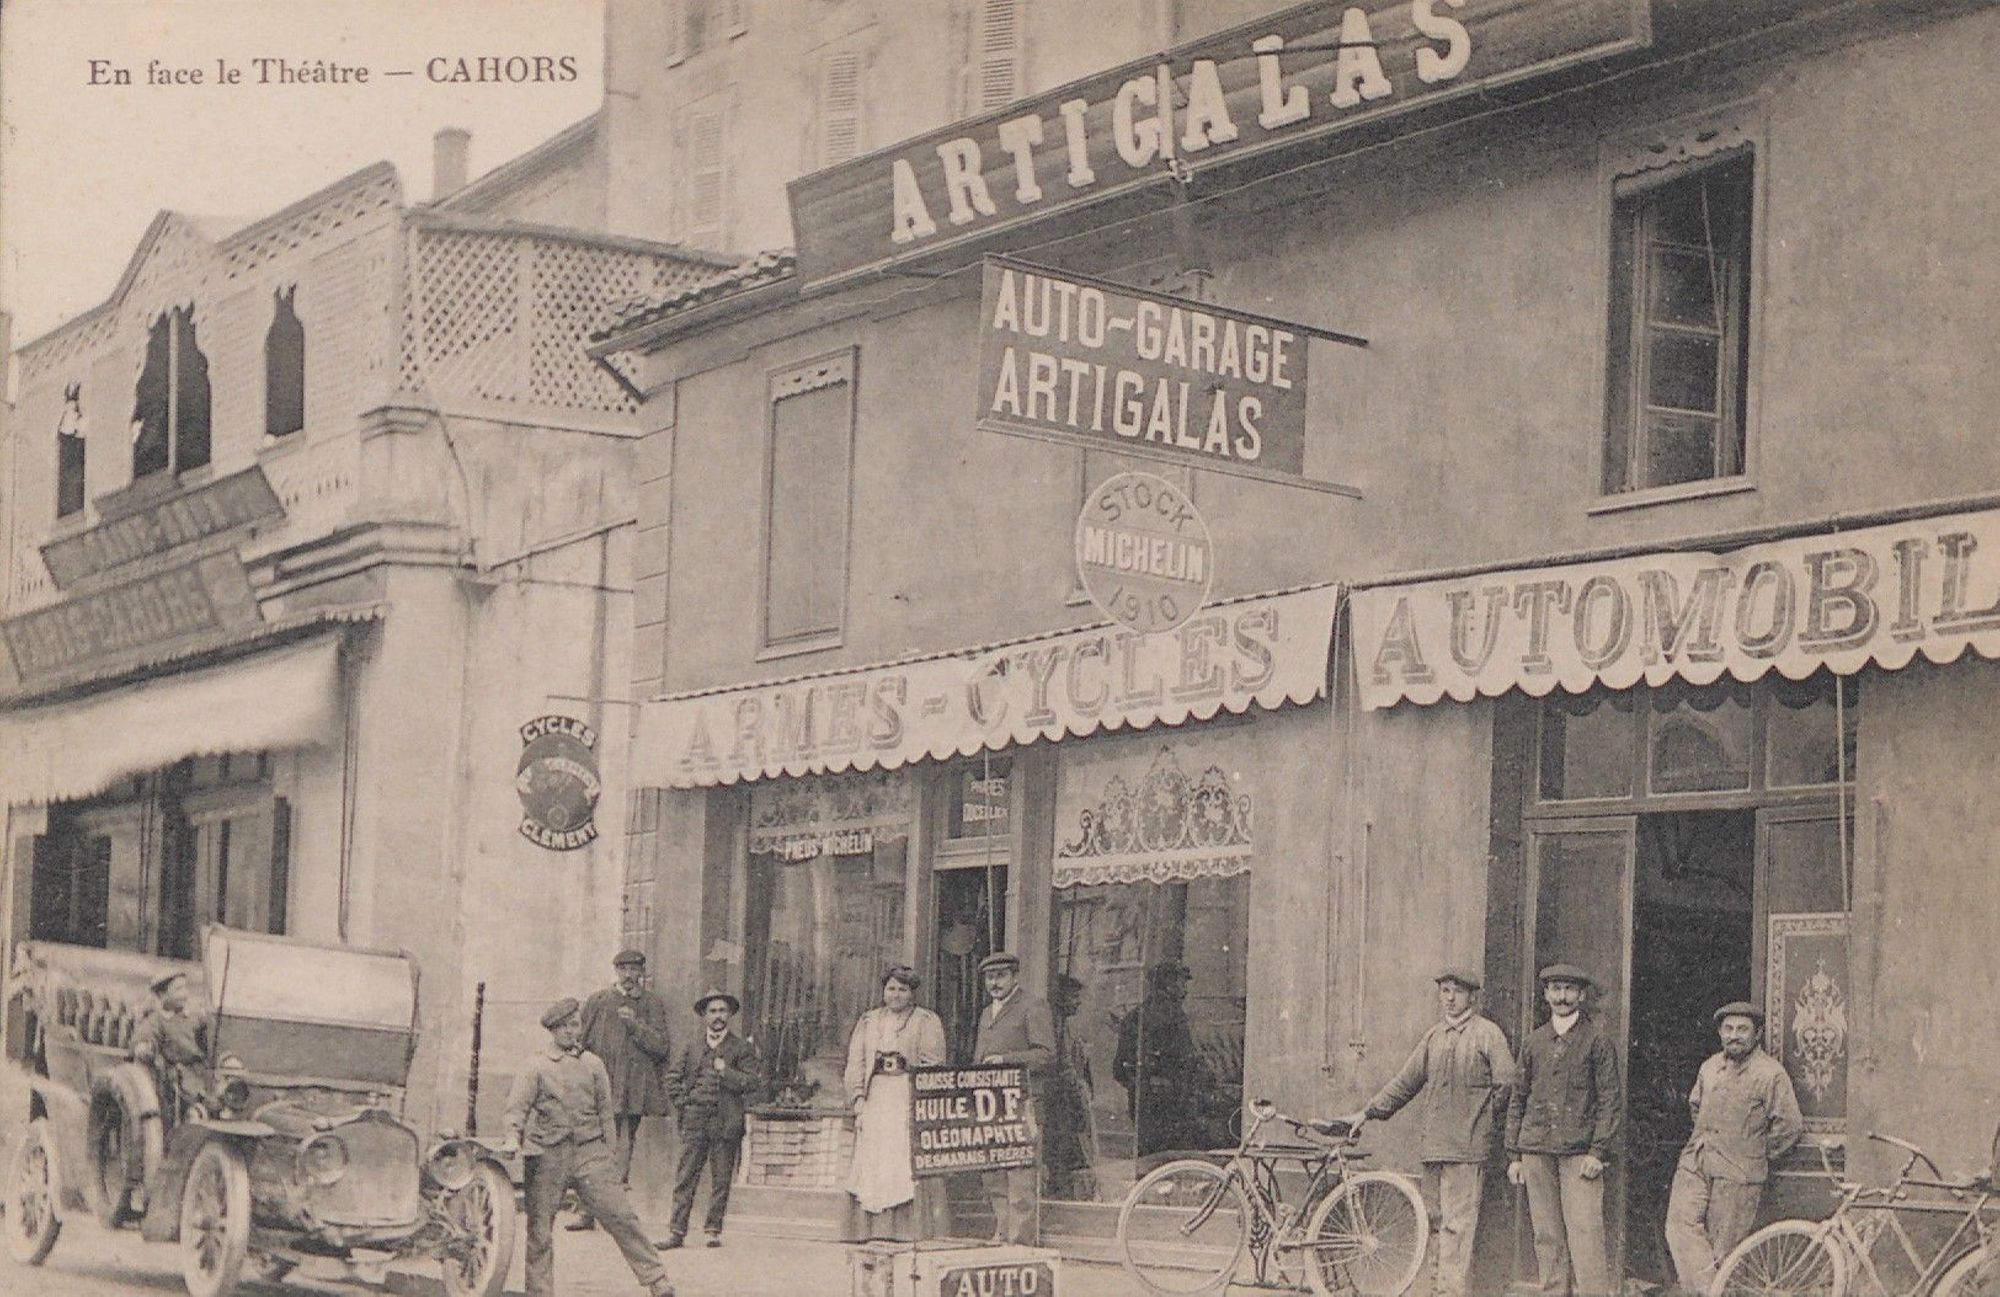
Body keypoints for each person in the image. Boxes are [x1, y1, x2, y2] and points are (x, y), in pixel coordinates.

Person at [1343, 966, 1516, 1297]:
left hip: (1467, 1150)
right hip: (1433, 1147)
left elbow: (1506, 1085)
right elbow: (1405, 1082)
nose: (1449, 999)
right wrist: (1366, 1113)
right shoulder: (1434, 1037)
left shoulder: (1488, 1034)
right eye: (1444, 991)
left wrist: (1479, 1122)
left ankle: (1452, 1293)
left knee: (1458, 1228)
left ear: (1473, 997)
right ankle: (1437, 1291)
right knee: (1434, 1222)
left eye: (1457, 992)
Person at [501, 998, 675, 1297]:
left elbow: (606, 1113)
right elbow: (517, 1108)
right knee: (540, 1229)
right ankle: (539, 1292)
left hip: (590, 1153)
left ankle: (657, 1280)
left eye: (576, 1025)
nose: (572, 1032)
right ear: (553, 1030)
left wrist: (610, 1155)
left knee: (621, 1216)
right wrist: (512, 1138)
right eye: (565, 1027)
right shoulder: (537, 1065)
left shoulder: (593, 1064)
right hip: (547, 1155)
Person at [1664, 1001, 1804, 1293]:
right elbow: (1695, 1106)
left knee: (1724, 1250)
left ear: (1758, 1034)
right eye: (1728, 1029)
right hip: (1696, 1163)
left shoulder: (1770, 1074)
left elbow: (1789, 1126)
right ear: (1719, 1033)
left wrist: (1754, 1153)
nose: (1734, 1035)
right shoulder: (1710, 1067)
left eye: (1742, 1029)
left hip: (1739, 1173)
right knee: (1678, 1228)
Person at [1506, 963, 1622, 1297]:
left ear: (1582, 995)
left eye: (1570, 990)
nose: (1562, 997)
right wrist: (1514, 1154)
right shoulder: (1533, 1042)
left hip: (1579, 1154)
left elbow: (1609, 1100)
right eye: (1555, 989)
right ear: (1545, 995)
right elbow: (1519, 1098)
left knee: (1585, 1234)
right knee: (1547, 1235)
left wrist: (1597, 1152)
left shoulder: (1597, 1042)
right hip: (1536, 1151)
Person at [843, 964, 948, 1241]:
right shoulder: (868, 1021)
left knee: (901, 1158)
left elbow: (934, 1065)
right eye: (891, 988)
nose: (896, 995)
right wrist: (858, 1099)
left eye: (903, 989)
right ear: (883, 991)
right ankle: (871, 1229)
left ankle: (905, 1229)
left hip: (905, 1096)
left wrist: (915, 1086)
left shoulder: (925, 1021)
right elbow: (856, 1063)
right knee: (874, 1158)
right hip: (876, 1096)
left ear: (912, 993)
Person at [572, 949, 674, 1229]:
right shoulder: (598, 1001)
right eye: (623, 969)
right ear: (615, 971)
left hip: (634, 1089)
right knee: (594, 1147)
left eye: (634, 970)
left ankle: (612, 1211)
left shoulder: (651, 1004)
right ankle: (587, 1211)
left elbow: (661, 1046)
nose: (629, 976)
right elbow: (580, 1042)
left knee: (622, 1150)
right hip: (601, 1086)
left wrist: (634, 1025)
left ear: (642, 972)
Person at [660, 988, 762, 1250]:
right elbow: (672, 1078)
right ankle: (676, 1231)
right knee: (686, 1177)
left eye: (723, 1011)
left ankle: (713, 1230)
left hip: (726, 1122)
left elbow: (751, 1083)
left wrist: (725, 1072)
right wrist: (684, 1102)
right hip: (695, 1120)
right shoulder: (692, 1046)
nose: (718, 1016)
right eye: (713, 1011)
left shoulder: (742, 1048)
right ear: (704, 1016)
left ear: (730, 1015)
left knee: (721, 1178)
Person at [972, 950, 1056, 1245]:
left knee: (1020, 1174)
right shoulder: (986, 1013)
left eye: (1000, 976)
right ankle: (1003, 1231)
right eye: (989, 977)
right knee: (993, 1171)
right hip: (992, 1104)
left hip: (1024, 1103)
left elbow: (1046, 1055)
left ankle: (1020, 1241)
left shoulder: (1033, 1006)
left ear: (1015, 977)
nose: (994, 983)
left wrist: (1006, 1060)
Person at [1113, 961, 1210, 1159]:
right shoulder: (1175, 1016)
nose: (1185, 990)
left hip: (1143, 1098)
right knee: (1173, 1160)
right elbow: (1186, 1060)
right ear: (1168, 985)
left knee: (1148, 1159)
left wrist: (1139, 1085)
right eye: (1182, 984)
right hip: (1173, 1101)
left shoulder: (1134, 1016)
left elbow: (1118, 1069)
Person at [1042, 972, 1099, 1200]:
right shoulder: (1056, 1026)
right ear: (1061, 998)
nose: (1078, 1002)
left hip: (1064, 1100)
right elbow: (1064, 1068)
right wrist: (1079, 1096)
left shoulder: (1063, 1025)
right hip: (1060, 1102)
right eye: (1074, 997)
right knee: (1062, 1154)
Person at [134, 971, 208, 1113]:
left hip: (200, 1072)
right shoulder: (157, 1020)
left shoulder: (194, 1017)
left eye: (185, 988)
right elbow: (145, 1037)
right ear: (162, 995)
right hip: (176, 1079)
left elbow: (207, 1033)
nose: (184, 994)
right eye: (178, 990)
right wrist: (143, 1047)